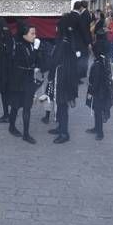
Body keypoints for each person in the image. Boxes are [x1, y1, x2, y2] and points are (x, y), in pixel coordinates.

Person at [7, 24, 40, 144]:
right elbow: (29, 60)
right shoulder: (20, 45)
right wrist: (36, 48)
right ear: (24, 34)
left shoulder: (29, 44)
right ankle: (11, 126)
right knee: (16, 106)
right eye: (32, 33)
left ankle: (26, 134)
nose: (35, 36)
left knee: (27, 107)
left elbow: (35, 61)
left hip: (28, 79)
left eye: (35, 33)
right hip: (18, 80)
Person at [49, 14, 80, 144]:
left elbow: (57, 60)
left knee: (62, 105)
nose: (56, 28)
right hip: (62, 76)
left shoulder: (65, 42)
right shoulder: (66, 39)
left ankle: (64, 133)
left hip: (64, 78)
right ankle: (60, 127)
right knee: (60, 104)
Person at [86, 38, 113, 141]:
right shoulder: (101, 61)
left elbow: (96, 81)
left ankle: (100, 132)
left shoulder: (98, 64)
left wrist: (91, 92)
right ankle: (96, 128)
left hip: (99, 92)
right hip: (100, 91)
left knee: (98, 111)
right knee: (96, 110)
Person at [0, 18, 13, 123]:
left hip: (4, 67)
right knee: (7, 91)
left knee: (4, 91)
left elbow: (2, 51)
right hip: (7, 66)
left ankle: (7, 115)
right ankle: (9, 113)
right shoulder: (7, 34)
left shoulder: (1, 33)